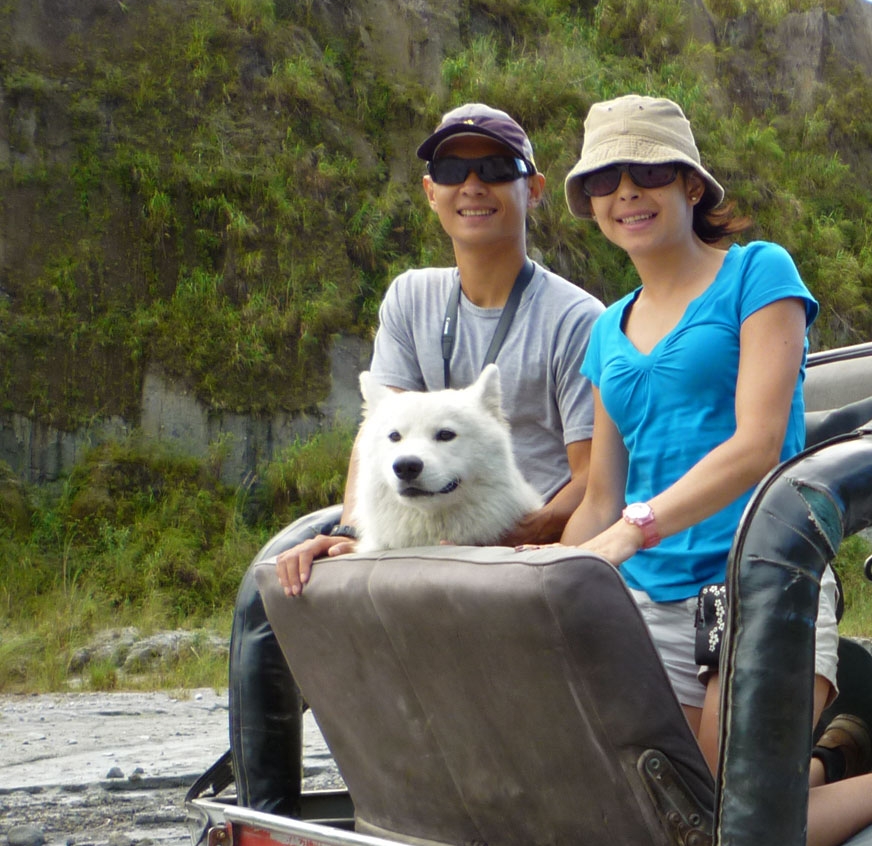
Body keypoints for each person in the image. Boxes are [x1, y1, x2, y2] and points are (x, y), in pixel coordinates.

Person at [555, 95, 872, 845]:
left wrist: (632, 531)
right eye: (606, 180)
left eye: (647, 171)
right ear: (590, 204)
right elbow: (601, 495)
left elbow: (760, 444)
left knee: (722, 827)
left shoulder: (756, 273)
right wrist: (549, 574)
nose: (626, 193)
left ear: (691, 186)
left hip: (762, 581)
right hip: (648, 602)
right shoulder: (606, 330)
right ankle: (837, 760)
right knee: (668, 815)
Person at [228, 103, 605, 815]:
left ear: (533, 188)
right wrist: (351, 531)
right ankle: (270, 812)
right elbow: (382, 436)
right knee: (269, 588)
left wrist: (510, 539)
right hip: (408, 530)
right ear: (429, 191)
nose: (472, 185)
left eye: (495, 169)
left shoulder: (575, 319)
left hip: (523, 542)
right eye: (451, 170)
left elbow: (589, 478)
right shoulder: (409, 296)